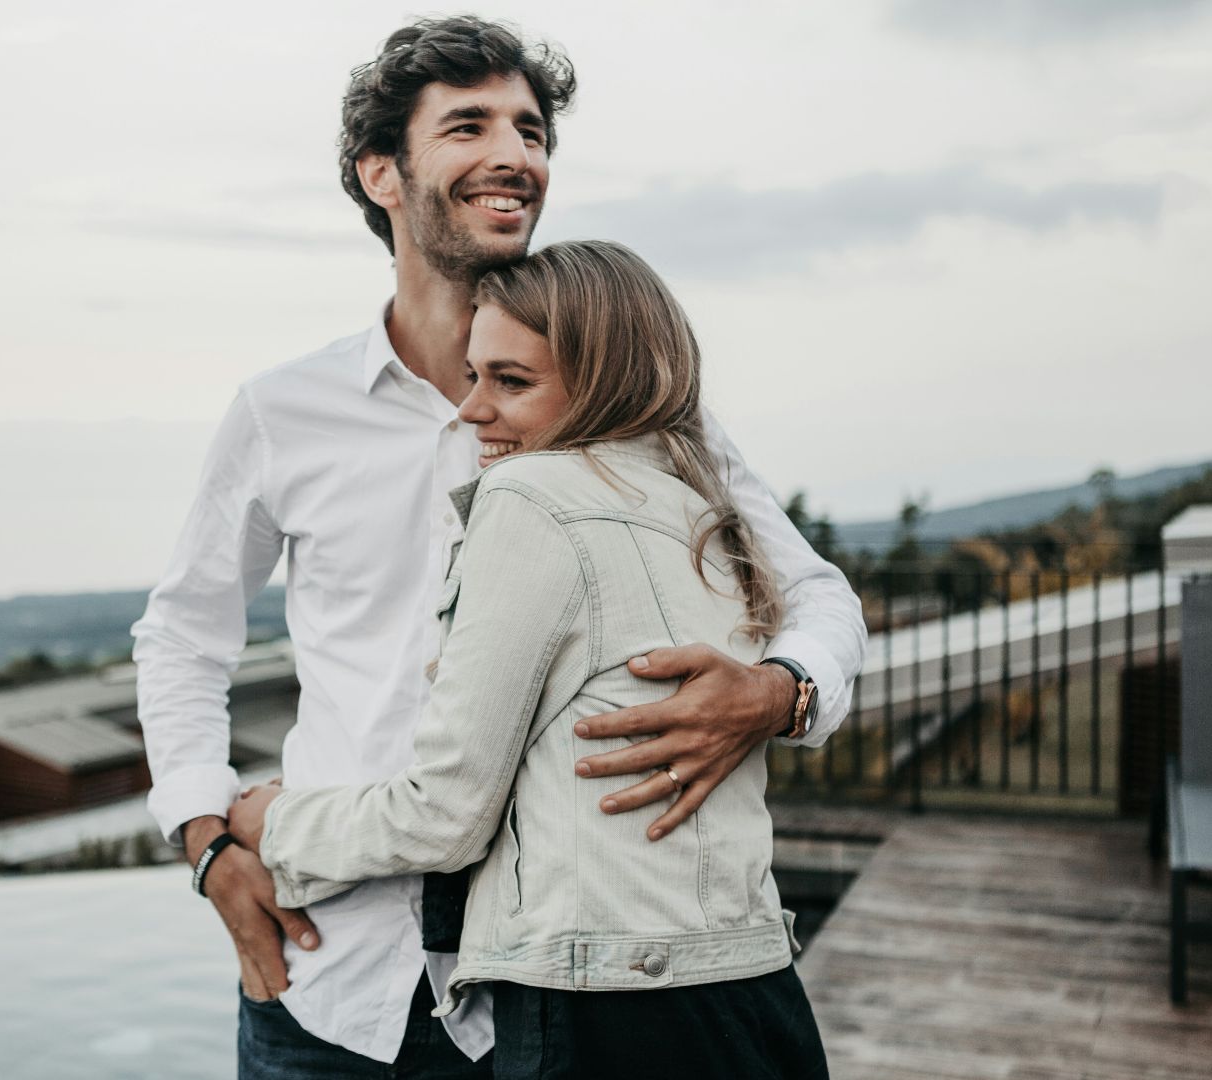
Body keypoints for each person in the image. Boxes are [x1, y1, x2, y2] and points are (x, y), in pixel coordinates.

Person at [132, 16, 866, 1077]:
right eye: (469, 126)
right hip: (329, 979)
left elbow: (816, 594)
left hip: (551, 1002)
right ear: (382, 172)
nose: (515, 154)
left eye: (530, 130)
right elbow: (183, 638)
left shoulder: (640, 412)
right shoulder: (282, 411)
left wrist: (781, 693)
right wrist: (205, 842)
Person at [224, 240, 831, 1079]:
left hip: (609, 1011)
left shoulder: (528, 498)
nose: (473, 411)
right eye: (476, 376)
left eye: (511, 383)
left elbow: (446, 812)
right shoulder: (701, 505)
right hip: (753, 988)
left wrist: (271, 823)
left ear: (608, 380)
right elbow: (821, 596)